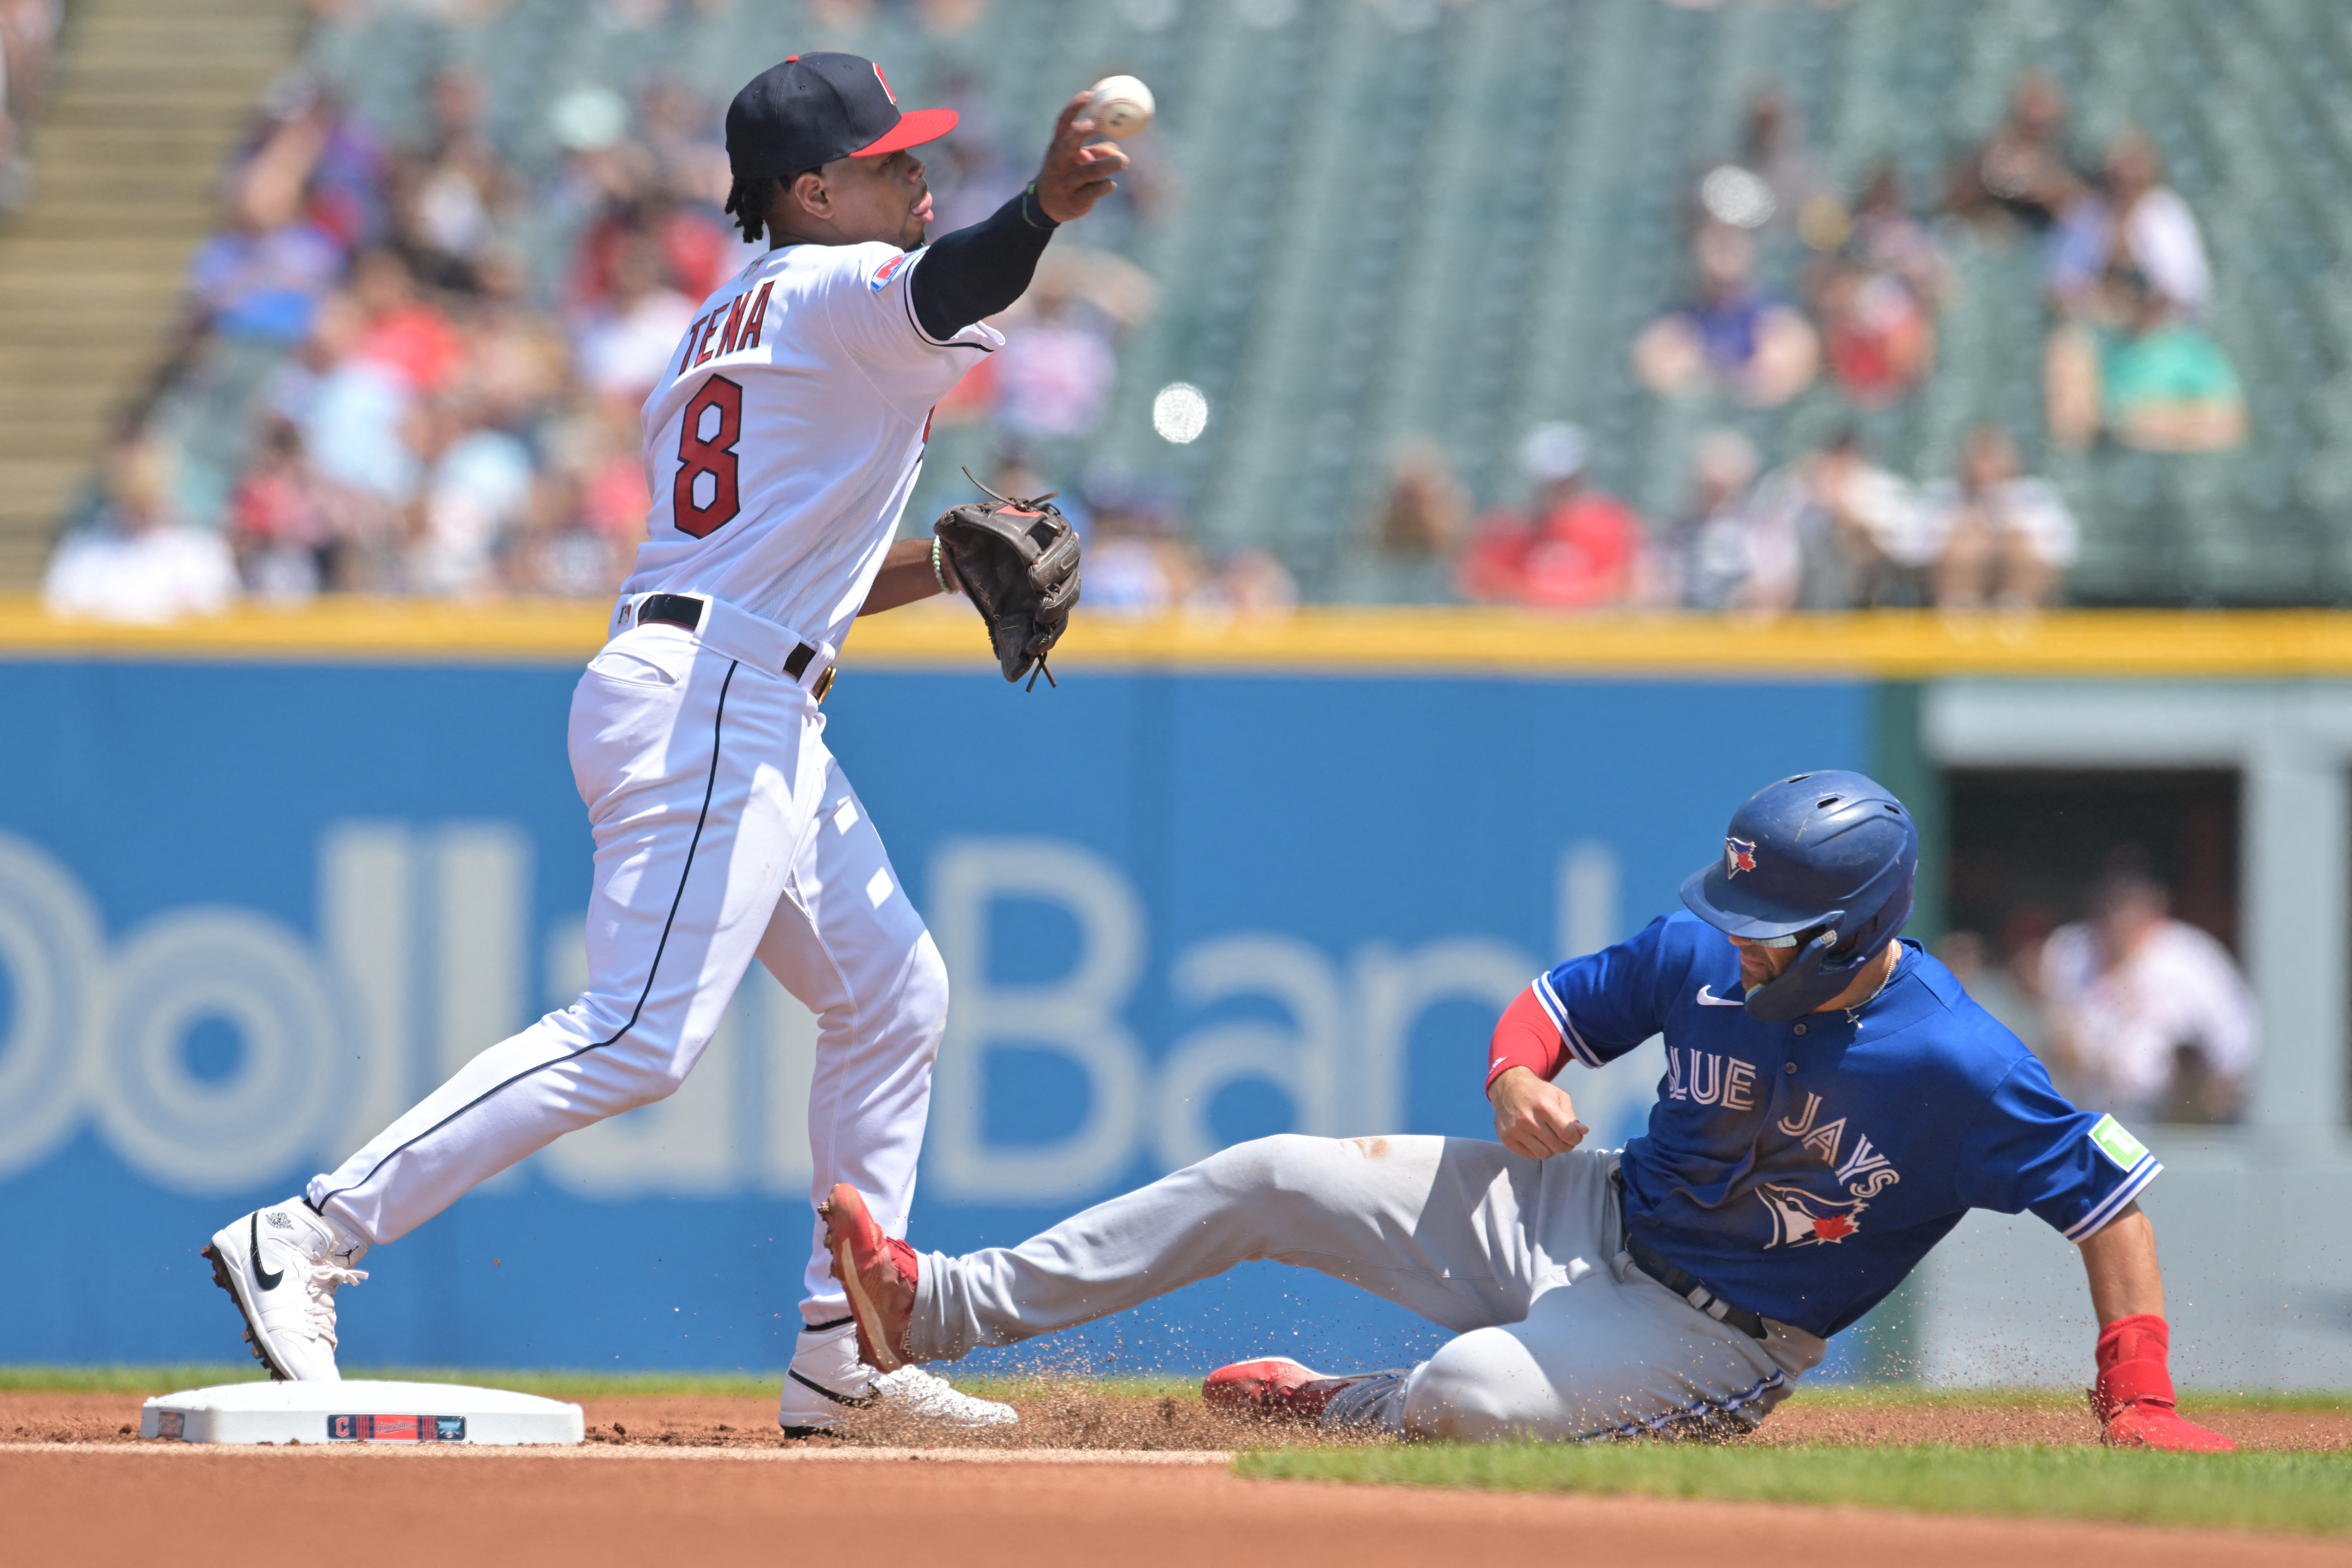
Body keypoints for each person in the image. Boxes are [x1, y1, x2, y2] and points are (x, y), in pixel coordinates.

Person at [199, 52, 1130, 1440]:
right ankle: (311, 1230)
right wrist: (1045, 209)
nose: (916, 170)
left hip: (737, 681)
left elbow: (782, 564)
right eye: (886, 161)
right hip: (713, 698)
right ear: (814, 191)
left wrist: (939, 564)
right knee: (637, 1032)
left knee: (895, 996)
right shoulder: (830, 288)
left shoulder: (725, 320)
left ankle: (844, 1356)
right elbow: (957, 282)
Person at [822, 771, 2234, 1452]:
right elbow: (1556, 1005)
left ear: (1850, 924)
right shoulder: (1700, 951)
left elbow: (2105, 1200)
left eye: (1767, 919)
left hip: (1706, 1331)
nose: (1732, 935)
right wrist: (1514, 1074)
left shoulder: (1953, 1059)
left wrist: (2139, 1389)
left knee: (1463, 1395)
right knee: (1273, 1169)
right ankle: (932, 1306)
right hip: (1588, 1202)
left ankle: (1341, 1406)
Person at [2038, 849, 2256, 1126]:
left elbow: (2237, 1046)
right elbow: (2056, 1037)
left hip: (2168, 1120)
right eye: (2112, 903)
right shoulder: (2070, 949)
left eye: (2131, 903)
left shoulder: (2191, 956)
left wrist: (2200, 1095)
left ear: (2156, 904)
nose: (2119, 916)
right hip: (2088, 1113)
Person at [1456, 424, 1647, 610]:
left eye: (1566, 483)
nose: (1557, 491)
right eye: (1551, 484)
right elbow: (1478, 588)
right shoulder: (1504, 531)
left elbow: (1634, 587)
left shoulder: (1613, 525)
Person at [1633, 224, 1819, 408]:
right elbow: (1657, 367)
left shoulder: (1778, 318)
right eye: (1716, 243)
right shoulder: (1682, 320)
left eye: (1732, 245)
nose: (1723, 254)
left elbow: (1788, 374)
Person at [1915, 425, 2077, 610]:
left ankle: (2015, 613)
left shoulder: (2036, 496)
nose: (1986, 467)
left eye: (1993, 457)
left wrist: (2003, 540)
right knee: (1962, 546)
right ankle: (1962, 612)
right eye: (1981, 458)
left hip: (2021, 579)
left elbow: (2061, 551)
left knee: (2018, 545)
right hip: (1948, 582)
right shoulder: (1942, 497)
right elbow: (1915, 552)